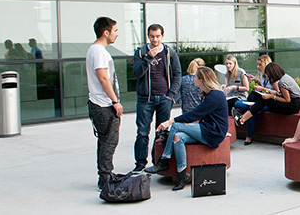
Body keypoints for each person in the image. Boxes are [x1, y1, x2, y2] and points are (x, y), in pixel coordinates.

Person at [145, 66, 228, 191]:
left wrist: (170, 121)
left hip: (213, 132)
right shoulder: (208, 94)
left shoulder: (215, 95)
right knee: (177, 137)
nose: (192, 78)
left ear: (202, 79)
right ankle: (182, 174)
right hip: (207, 129)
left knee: (175, 125)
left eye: (195, 76)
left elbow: (195, 113)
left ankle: (164, 160)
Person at [132, 24, 182, 172]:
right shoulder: (141, 52)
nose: (155, 39)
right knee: (142, 132)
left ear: (162, 36)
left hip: (164, 98)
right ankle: (140, 163)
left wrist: (171, 95)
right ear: (148, 36)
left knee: (161, 132)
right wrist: (148, 58)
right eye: (152, 36)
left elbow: (177, 74)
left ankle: (157, 161)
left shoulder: (169, 52)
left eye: (158, 36)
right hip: (145, 99)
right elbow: (137, 73)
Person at [86, 17, 123, 190]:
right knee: (109, 141)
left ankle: (105, 176)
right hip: (103, 104)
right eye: (115, 30)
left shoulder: (94, 50)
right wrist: (115, 101)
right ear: (106, 32)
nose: (117, 34)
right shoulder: (99, 51)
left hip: (99, 103)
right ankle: (105, 178)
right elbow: (103, 78)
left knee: (105, 141)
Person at [234, 62, 300, 144]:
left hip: (292, 106)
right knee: (263, 100)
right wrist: (270, 92)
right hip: (294, 103)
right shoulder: (285, 77)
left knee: (264, 100)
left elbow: (287, 100)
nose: (267, 76)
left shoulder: (282, 83)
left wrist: (271, 96)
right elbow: (283, 95)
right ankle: (243, 118)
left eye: (267, 74)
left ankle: (242, 119)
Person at [232, 55, 273, 144]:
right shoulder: (262, 74)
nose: (257, 67)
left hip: (267, 101)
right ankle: (243, 119)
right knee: (238, 103)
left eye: (259, 65)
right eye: (257, 64)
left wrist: (263, 89)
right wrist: (256, 80)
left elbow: (275, 92)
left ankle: (248, 136)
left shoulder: (272, 75)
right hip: (259, 99)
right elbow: (264, 86)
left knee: (251, 112)